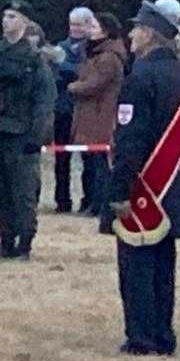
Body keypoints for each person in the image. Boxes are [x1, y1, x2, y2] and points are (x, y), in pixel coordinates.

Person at [105, 1, 180, 355]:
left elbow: (132, 139)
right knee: (163, 266)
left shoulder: (140, 77)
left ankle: (142, 337)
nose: (130, 35)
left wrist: (119, 190)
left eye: (136, 29)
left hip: (144, 188)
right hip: (174, 186)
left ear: (149, 35)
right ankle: (163, 332)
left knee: (137, 267)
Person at [0, 1, 57, 260]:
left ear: (24, 22)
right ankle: (4, 242)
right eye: (5, 16)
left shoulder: (34, 61)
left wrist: (36, 137)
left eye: (12, 16)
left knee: (22, 192)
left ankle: (24, 243)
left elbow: (44, 102)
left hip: (21, 136)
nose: (6, 21)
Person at [67, 12, 126, 218]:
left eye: (94, 27)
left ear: (106, 31)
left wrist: (74, 86)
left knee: (101, 165)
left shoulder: (109, 57)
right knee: (91, 164)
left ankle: (100, 204)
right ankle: (91, 201)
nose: (89, 31)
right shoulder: (95, 53)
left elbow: (94, 84)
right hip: (92, 115)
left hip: (101, 116)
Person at [53, 6, 94, 213]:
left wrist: (65, 67)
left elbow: (87, 74)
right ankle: (62, 200)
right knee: (61, 159)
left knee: (89, 158)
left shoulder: (94, 48)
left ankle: (88, 200)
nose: (75, 29)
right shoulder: (60, 47)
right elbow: (56, 74)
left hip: (85, 111)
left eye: (79, 24)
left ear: (89, 25)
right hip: (63, 109)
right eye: (72, 24)